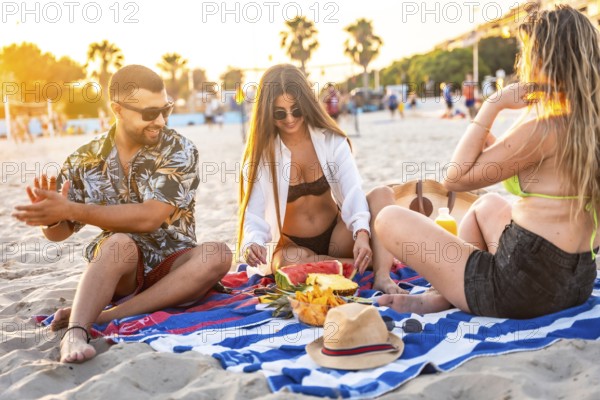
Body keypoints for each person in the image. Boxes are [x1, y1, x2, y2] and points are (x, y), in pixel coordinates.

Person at [375, 5, 599, 318]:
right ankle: (443, 295)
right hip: (576, 282)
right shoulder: (589, 124)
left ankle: (450, 292)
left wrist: (493, 105)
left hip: (519, 290)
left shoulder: (543, 129)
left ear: (542, 62)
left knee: (387, 218)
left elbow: (454, 178)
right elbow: (518, 159)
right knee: (486, 205)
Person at [12, 65, 232, 363]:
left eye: (165, 109)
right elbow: (59, 232)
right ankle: (76, 332)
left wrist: (71, 209)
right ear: (117, 109)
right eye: (149, 112)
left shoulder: (178, 148)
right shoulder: (84, 159)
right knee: (117, 243)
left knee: (218, 254)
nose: (161, 120)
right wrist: (51, 216)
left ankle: (106, 315)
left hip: (176, 264)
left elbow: (150, 217)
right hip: (120, 269)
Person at [237, 64, 405, 294]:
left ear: (307, 104)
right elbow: (254, 217)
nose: (289, 119)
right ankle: (370, 263)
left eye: (296, 110)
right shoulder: (261, 157)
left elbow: (352, 191)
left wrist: (362, 234)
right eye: (279, 113)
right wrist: (252, 244)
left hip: (338, 235)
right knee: (286, 263)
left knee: (383, 194)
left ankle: (382, 277)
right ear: (267, 113)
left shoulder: (330, 141)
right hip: (293, 247)